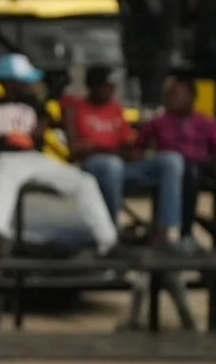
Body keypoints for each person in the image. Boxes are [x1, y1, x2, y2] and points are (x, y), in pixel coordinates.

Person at [0, 53, 121, 257]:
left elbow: (50, 117)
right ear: (9, 82)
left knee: (85, 182)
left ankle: (108, 241)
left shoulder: (33, 102)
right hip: (5, 158)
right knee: (2, 181)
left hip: (34, 158)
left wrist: (43, 123)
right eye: (23, 80)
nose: (29, 84)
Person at [66, 66, 184, 249]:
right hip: (93, 169)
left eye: (112, 85)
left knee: (171, 161)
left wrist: (133, 148)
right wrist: (107, 150)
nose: (111, 89)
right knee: (111, 165)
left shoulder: (116, 108)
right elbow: (76, 149)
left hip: (122, 166)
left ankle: (164, 233)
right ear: (94, 86)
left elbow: (128, 143)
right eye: (106, 85)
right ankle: (111, 232)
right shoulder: (77, 108)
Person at [141, 74, 216, 246]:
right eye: (169, 95)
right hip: (175, 170)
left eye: (176, 94)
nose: (171, 99)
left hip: (204, 166)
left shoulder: (206, 122)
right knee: (189, 173)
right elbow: (139, 146)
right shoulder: (158, 122)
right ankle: (186, 234)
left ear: (191, 96)